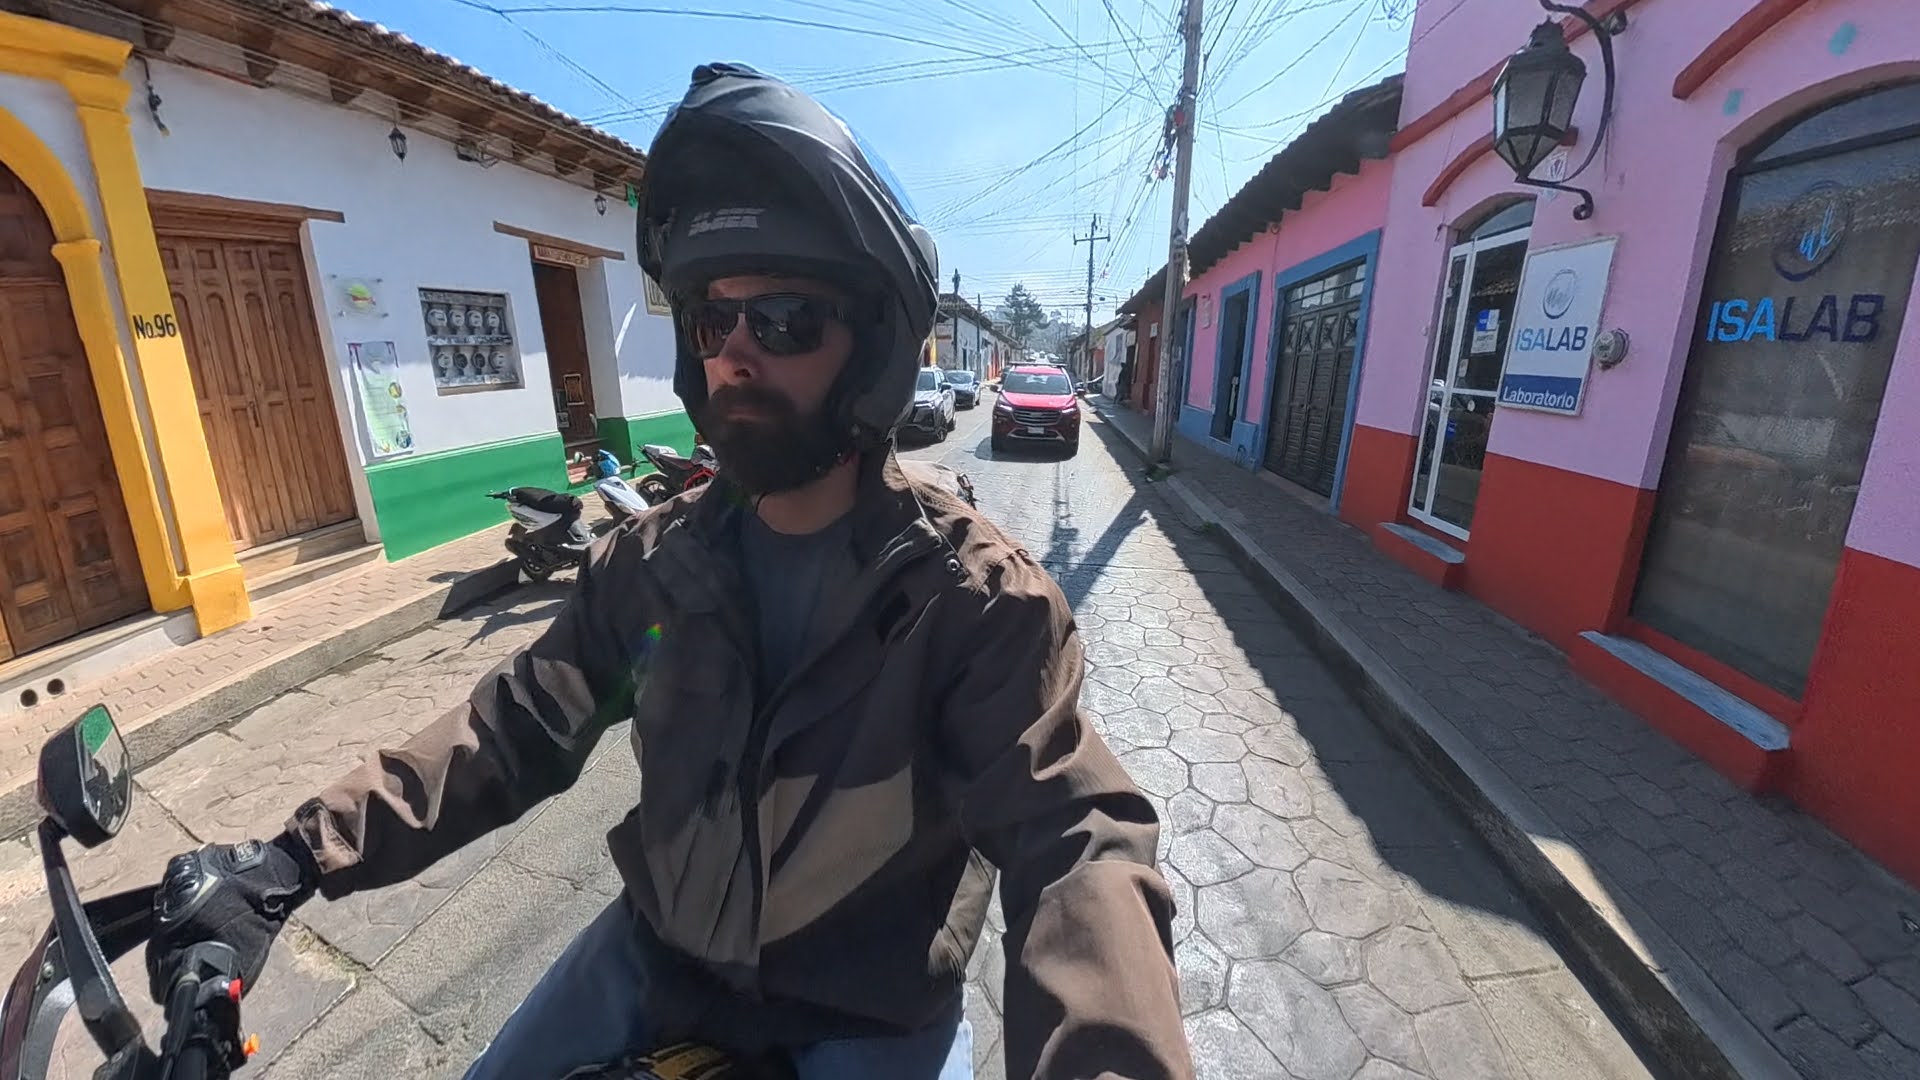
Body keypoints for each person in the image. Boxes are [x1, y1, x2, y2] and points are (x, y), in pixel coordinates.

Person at [143, 63, 1193, 1080]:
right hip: (656, 962)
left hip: (866, 1013)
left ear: (873, 347)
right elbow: (515, 726)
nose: (736, 352)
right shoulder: (647, 563)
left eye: (783, 319)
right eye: (711, 318)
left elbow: (1077, 842)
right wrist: (295, 858)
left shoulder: (971, 605)